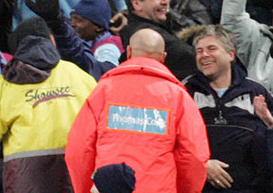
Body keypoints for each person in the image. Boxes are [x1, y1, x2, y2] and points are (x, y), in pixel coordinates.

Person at [0, 17, 97, 192]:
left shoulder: (1, 87)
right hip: (78, 180)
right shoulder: (80, 77)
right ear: (52, 40)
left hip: (26, 182)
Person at [64, 28, 210, 193]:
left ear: (129, 52)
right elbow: (194, 156)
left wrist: (85, 189)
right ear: (163, 58)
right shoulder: (178, 97)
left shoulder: (103, 91)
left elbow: (79, 150)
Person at [185, 25, 273, 192]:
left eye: (211, 48)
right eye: (199, 51)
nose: (204, 55)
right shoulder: (184, 92)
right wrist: (201, 164)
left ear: (231, 55)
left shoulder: (257, 93)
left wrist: (270, 125)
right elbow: (174, 141)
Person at [118, 0, 197, 80]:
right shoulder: (144, 33)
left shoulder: (167, 22)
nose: (165, 2)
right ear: (136, 4)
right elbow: (188, 54)